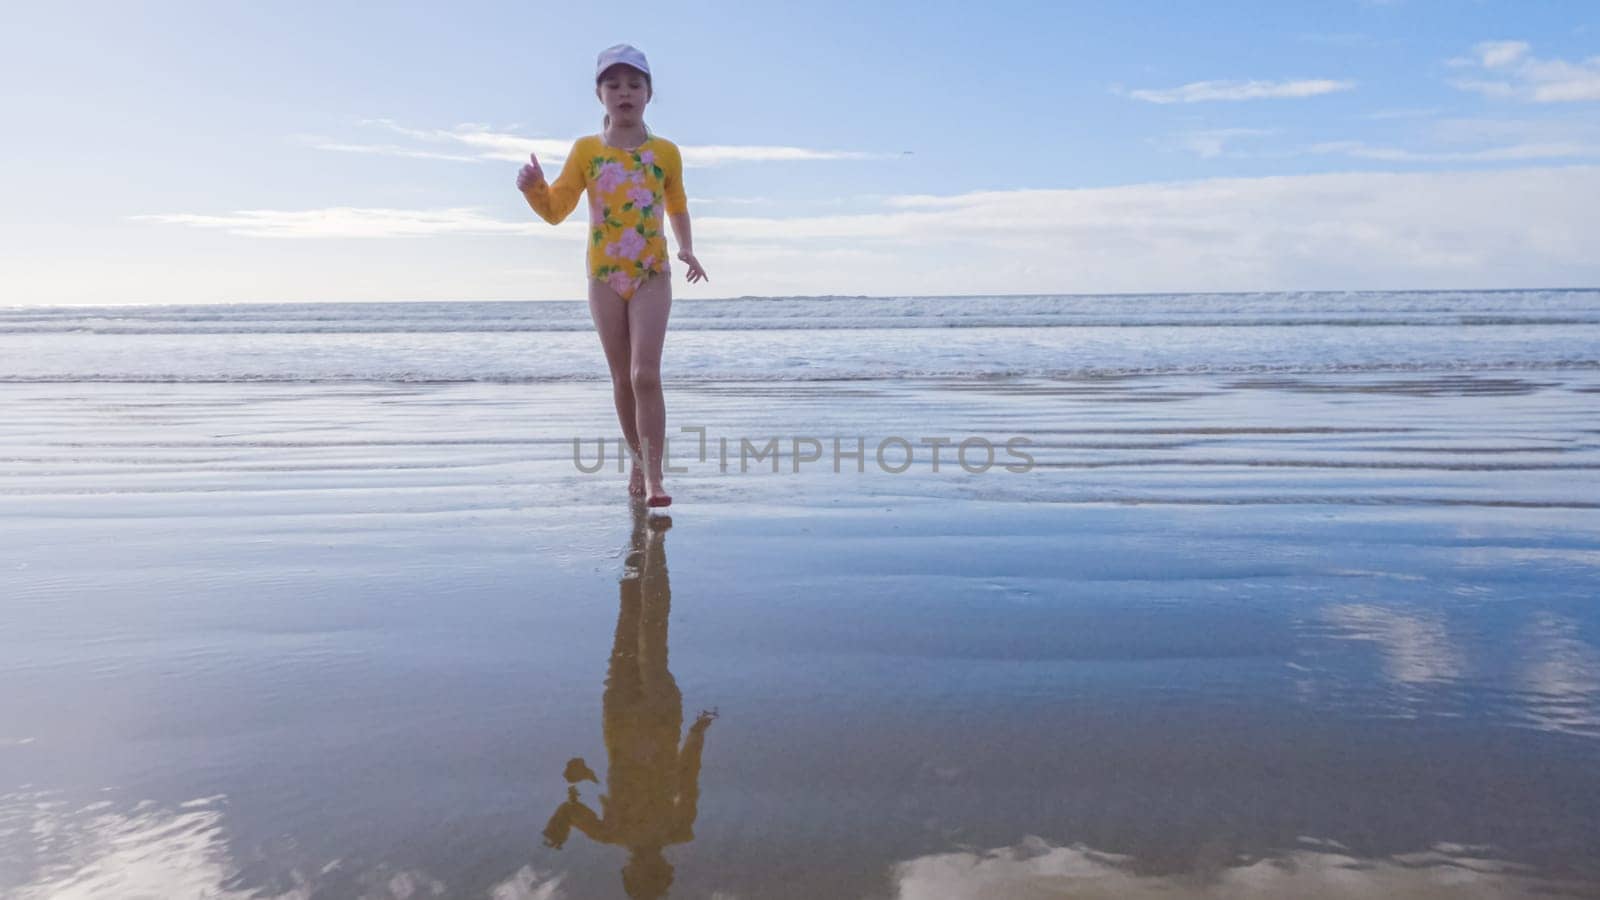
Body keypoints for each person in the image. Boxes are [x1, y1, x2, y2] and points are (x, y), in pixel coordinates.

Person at [517, 44, 707, 509]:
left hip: (651, 272)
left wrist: (685, 246)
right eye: (614, 85)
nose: (624, 93)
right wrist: (534, 190)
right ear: (599, 93)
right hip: (603, 275)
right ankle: (638, 460)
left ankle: (657, 477)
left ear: (649, 92)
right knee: (622, 378)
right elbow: (558, 210)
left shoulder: (666, 152)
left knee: (646, 374)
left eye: (634, 84)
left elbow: (677, 203)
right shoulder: (586, 151)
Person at [540, 510, 717, 900]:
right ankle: (649, 549)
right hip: (657, 719)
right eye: (652, 876)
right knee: (650, 636)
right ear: (664, 871)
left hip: (622, 721)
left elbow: (570, 812)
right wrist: (697, 733)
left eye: (640, 877)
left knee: (632, 626)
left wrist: (561, 822)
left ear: (630, 873)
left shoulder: (611, 833)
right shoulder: (674, 829)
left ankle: (640, 549)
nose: (646, 868)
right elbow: (688, 777)